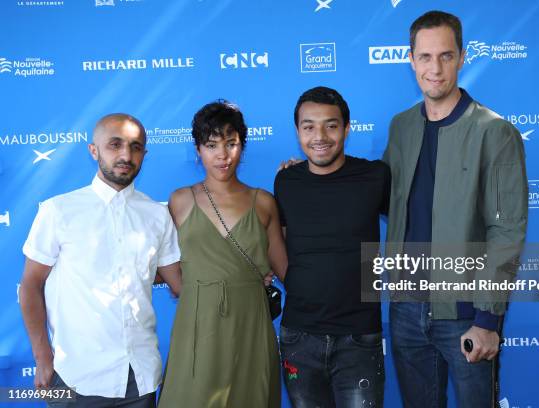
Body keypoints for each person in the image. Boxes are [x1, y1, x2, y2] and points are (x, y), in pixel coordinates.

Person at [383, 10, 528, 408]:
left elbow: (506, 231)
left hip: (466, 316)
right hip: (407, 311)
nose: (435, 68)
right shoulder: (401, 128)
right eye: (425, 57)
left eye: (446, 56)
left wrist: (486, 320)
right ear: (410, 59)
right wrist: (310, 174)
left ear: (462, 57)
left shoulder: (494, 131)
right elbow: (385, 198)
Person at [19, 113, 182, 408]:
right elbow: (30, 285)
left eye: (135, 147)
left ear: (144, 154)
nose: (125, 155)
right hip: (75, 377)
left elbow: (181, 283)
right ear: (93, 150)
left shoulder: (157, 215)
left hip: (140, 377)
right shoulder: (59, 211)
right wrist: (42, 357)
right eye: (115, 145)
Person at [157, 100, 286, 408]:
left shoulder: (263, 202)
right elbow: (161, 263)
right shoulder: (180, 201)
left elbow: (285, 268)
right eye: (212, 144)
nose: (222, 155)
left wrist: (303, 184)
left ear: (242, 145)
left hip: (251, 322)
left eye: (231, 143)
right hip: (197, 323)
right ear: (198, 149)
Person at [274, 86, 390, 407]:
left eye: (331, 125)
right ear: (297, 131)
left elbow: (417, 222)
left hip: (359, 337)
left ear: (347, 129)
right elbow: (278, 244)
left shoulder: (375, 176)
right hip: (298, 336)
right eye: (309, 126)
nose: (319, 136)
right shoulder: (285, 181)